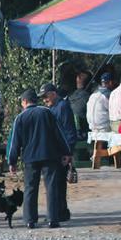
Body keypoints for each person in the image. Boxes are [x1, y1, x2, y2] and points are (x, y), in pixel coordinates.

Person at [8, 89, 72, 229]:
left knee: (30, 188)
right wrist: (66, 152)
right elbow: (59, 133)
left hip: (30, 158)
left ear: (24, 101)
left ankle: (30, 220)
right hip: (50, 155)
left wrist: (12, 161)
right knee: (51, 187)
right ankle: (53, 219)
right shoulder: (47, 112)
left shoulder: (20, 117)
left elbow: (15, 142)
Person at [38, 83, 77, 222]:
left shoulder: (62, 107)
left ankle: (58, 213)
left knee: (56, 184)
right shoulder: (53, 107)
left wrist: (69, 153)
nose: (44, 100)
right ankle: (61, 212)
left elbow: (69, 131)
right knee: (58, 184)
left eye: (45, 97)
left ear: (53, 94)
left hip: (61, 152)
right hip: (56, 151)